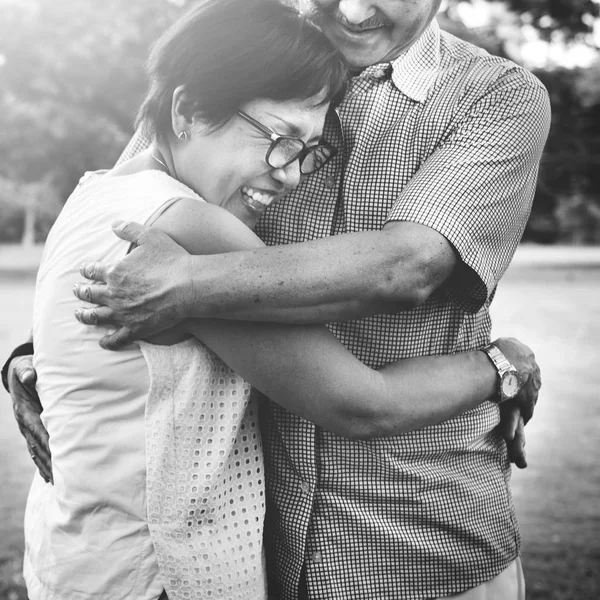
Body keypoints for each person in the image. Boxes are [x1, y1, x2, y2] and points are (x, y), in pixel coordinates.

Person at [3, 0, 548, 599]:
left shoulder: (495, 95)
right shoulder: (234, 57)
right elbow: (126, 230)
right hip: (255, 546)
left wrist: (187, 284)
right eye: (280, 139)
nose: (351, 7)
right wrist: (41, 360)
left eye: (305, 149)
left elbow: (404, 267)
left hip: (419, 536)